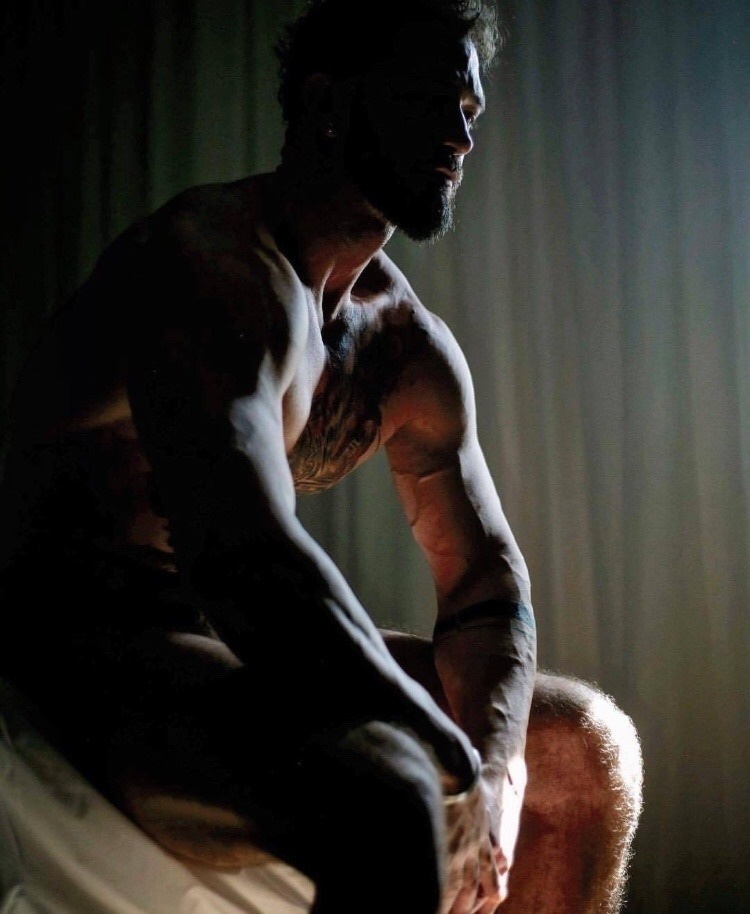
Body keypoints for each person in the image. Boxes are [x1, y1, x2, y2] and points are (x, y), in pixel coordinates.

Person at [0, 1, 643, 912]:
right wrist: (450, 762)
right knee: (391, 795)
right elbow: (244, 557)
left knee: (584, 754)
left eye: (469, 107)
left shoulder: (402, 345)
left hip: (227, 639)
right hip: (84, 642)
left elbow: (485, 588)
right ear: (329, 102)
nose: (461, 132)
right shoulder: (214, 270)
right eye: (430, 98)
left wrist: (498, 774)